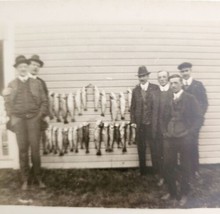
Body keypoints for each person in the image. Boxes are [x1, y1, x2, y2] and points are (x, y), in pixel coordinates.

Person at [2, 55, 48, 190]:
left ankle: (38, 178)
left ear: (28, 68)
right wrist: (12, 116)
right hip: (19, 120)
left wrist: (39, 116)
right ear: (16, 69)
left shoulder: (37, 83)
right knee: (22, 150)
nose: (23, 69)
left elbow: (44, 101)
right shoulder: (12, 84)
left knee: (35, 150)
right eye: (20, 67)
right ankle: (25, 180)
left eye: (24, 66)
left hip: (34, 119)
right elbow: (7, 102)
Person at [161, 74, 203, 206]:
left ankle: (184, 193)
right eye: (171, 83)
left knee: (186, 166)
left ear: (181, 84)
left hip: (185, 138)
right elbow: (162, 118)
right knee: (168, 165)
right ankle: (172, 192)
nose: (173, 85)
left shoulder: (190, 98)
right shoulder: (168, 98)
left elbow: (199, 118)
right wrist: (164, 132)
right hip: (170, 138)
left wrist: (190, 133)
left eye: (176, 83)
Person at [178, 62, 208, 178]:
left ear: (190, 71)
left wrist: (198, 118)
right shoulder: (179, 85)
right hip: (182, 122)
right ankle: (184, 169)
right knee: (182, 145)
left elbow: (204, 103)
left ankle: (195, 170)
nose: (184, 73)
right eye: (182, 71)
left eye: (186, 71)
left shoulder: (198, 85)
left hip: (194, 123)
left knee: (193, 145)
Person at [130, 66, 159, 176]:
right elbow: (132, 107)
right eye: (140, 76)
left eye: (144, 76)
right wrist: (133, 121)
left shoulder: (155, 88)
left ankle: (156, 170)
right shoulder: (135, 90)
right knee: (141, 148)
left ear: (148, 76)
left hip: (151, 124)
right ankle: (143, 171)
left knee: (154, 147)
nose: (142, 78)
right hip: (140, 124)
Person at [28, 55, 50, 155]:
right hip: (24, 117)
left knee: (36, 142)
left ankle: (36, 169)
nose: (35, 67)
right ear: (28, 65)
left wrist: (46, 115)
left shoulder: (41, 82)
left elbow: (45, 99)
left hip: (37, 117)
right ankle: (25, 169)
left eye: (37, 65)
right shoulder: (22, 80)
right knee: (24, 144)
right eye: (33, 64)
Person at [156, 70, 173, 186]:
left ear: (167, 78)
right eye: (160, 77)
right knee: (160, 153)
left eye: (164, 77)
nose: (162, 79)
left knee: (170, 154)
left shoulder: (173, 91)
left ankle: (171, 177)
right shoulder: (155, 92)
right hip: (158, 129)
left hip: (170, 129)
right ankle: (162, 176)